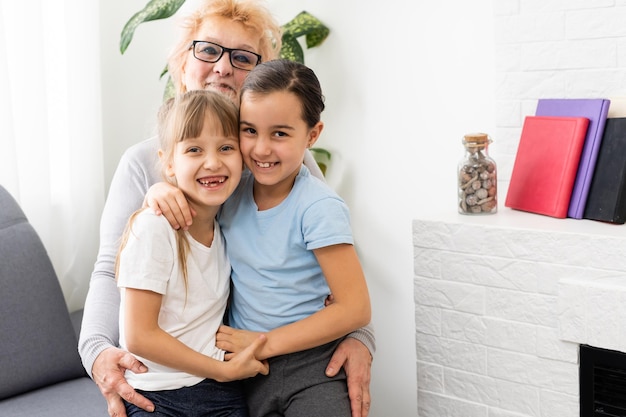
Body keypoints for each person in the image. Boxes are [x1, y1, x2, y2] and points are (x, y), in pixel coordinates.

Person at [78, 1, 375, 416]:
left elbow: (335, 268)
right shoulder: (143, 161)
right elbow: (112, 267)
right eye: (208, 50)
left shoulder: (279, 161)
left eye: (242, 58)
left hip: (248, 366)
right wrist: (95, 351)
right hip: (187, 374)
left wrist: (360, 336)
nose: (223, 67)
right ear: (182, 62)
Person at [149, 58, 370, 417]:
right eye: (249, 130)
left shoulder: (318, 207)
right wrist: (158, 191)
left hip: (310, 366)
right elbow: (187, 190)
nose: (261, 149)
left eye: (280, 133)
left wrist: (264, 343)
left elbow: (355, 307)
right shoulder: (230, 190)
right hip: (241, 369)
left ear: (312, 135)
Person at [117, 90, 268, 417]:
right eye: (194, 150)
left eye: (226, 148)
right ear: (169, 163)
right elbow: (138, 336)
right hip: (156, 393)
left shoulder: (229, 225)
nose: (213, 162)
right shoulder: (155, 227)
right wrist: (223, 371)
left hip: (217, 392)